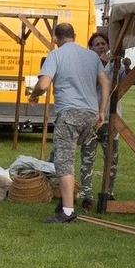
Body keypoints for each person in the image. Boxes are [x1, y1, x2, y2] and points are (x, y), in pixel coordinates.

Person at [32, 20, 108, 223]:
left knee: (64, 162)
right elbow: (105, 82)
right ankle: (67, 202)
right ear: (74, 36)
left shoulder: (56, 54)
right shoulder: (91, 55)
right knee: (73, 157)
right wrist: (102, 110)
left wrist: (34, 93)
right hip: (91, 115)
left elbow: (44, 84)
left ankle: (67, 212)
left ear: (56, 39)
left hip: (69, 114)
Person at [73, 30, 113, 208]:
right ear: (90, 48)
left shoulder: (114, 65)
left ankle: (109, 192)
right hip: (91, 116)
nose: (100, 46)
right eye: (97, 44)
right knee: (88, 156)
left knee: (112, 156)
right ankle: (87, 194)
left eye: (103, 43)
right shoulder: (86, 65)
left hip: (111, 117)